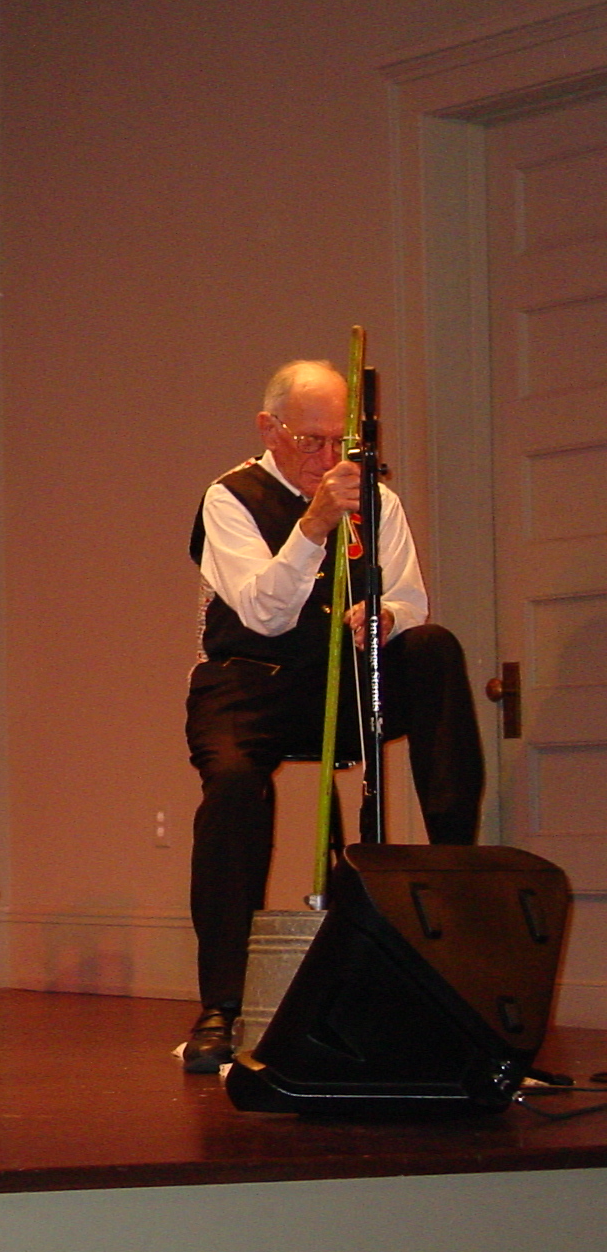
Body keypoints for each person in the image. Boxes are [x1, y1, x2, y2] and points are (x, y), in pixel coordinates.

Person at [181, 359, 484, 1072]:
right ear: (270, 430)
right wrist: (315, 524)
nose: (327, 458)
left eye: (339, 443)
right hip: (248, 682)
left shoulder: (377, 501)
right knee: (233, 788)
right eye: (310, 441)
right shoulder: (230, 497)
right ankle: (221, 1002)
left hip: (342, 680)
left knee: (434, 650)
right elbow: (264, 613)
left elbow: (411, 599)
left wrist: (384, 616)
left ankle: (455, 874)